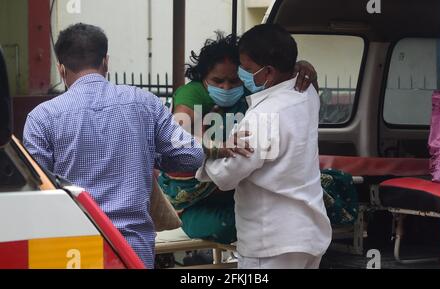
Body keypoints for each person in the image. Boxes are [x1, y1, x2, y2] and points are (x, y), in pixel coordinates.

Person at [23, 23, 204, 269]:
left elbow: (35, 192)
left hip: (71, 250)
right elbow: (191, 156)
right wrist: (148, 154)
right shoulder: (145, 104)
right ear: (106, 62)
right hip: (133, 249)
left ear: (61, 69)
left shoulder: (41, 118)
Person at [157, 32, 319, 247]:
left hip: (238, 189)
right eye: (217, 80)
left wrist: (303, 69)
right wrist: (215, 149)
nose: (226, 87)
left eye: (235, 80)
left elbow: (296, 88)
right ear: (202, 77)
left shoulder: (259, 93)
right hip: (194, 198)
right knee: (233, 223)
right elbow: (177, 137)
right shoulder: (193, 94)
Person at [196, 24, 332, 269]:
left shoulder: (265, 115)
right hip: (308, 235)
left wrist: (205, 151)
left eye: (247, 69)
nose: (242, 75)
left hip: (272, 241)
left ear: (268, 71)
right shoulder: (306, 93)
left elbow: (227, 175)